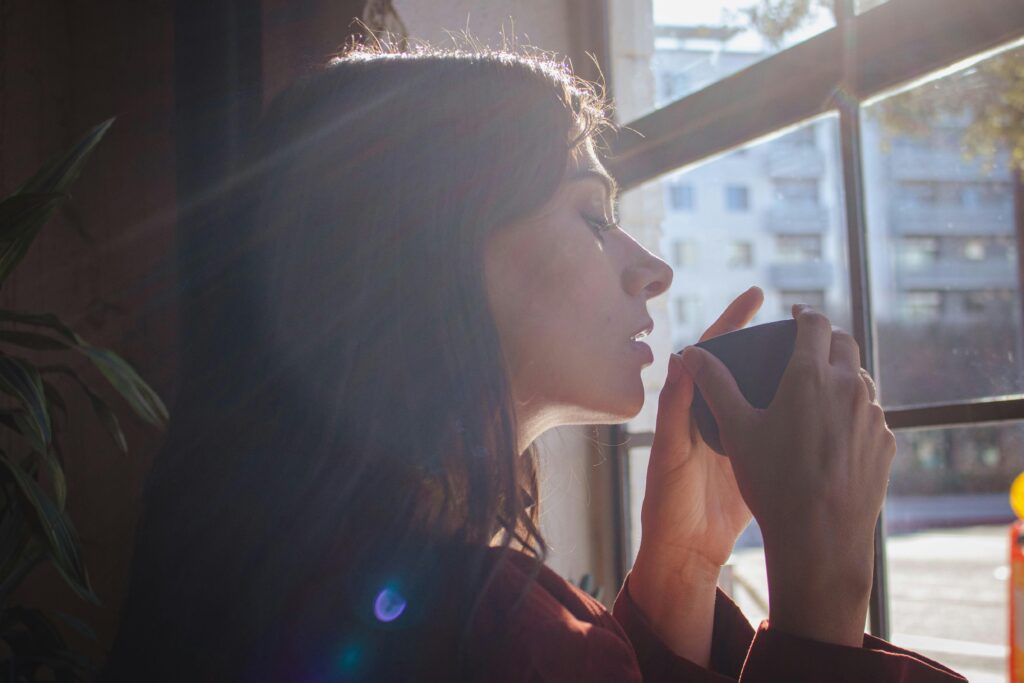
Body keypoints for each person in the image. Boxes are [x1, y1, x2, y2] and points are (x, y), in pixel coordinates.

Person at [101, 44, 965, 681]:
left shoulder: (288, 571)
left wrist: (684, 564)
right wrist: (821, 596)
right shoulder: (483, 634)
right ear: (427, 252)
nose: (652, 270)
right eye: (592, 217)